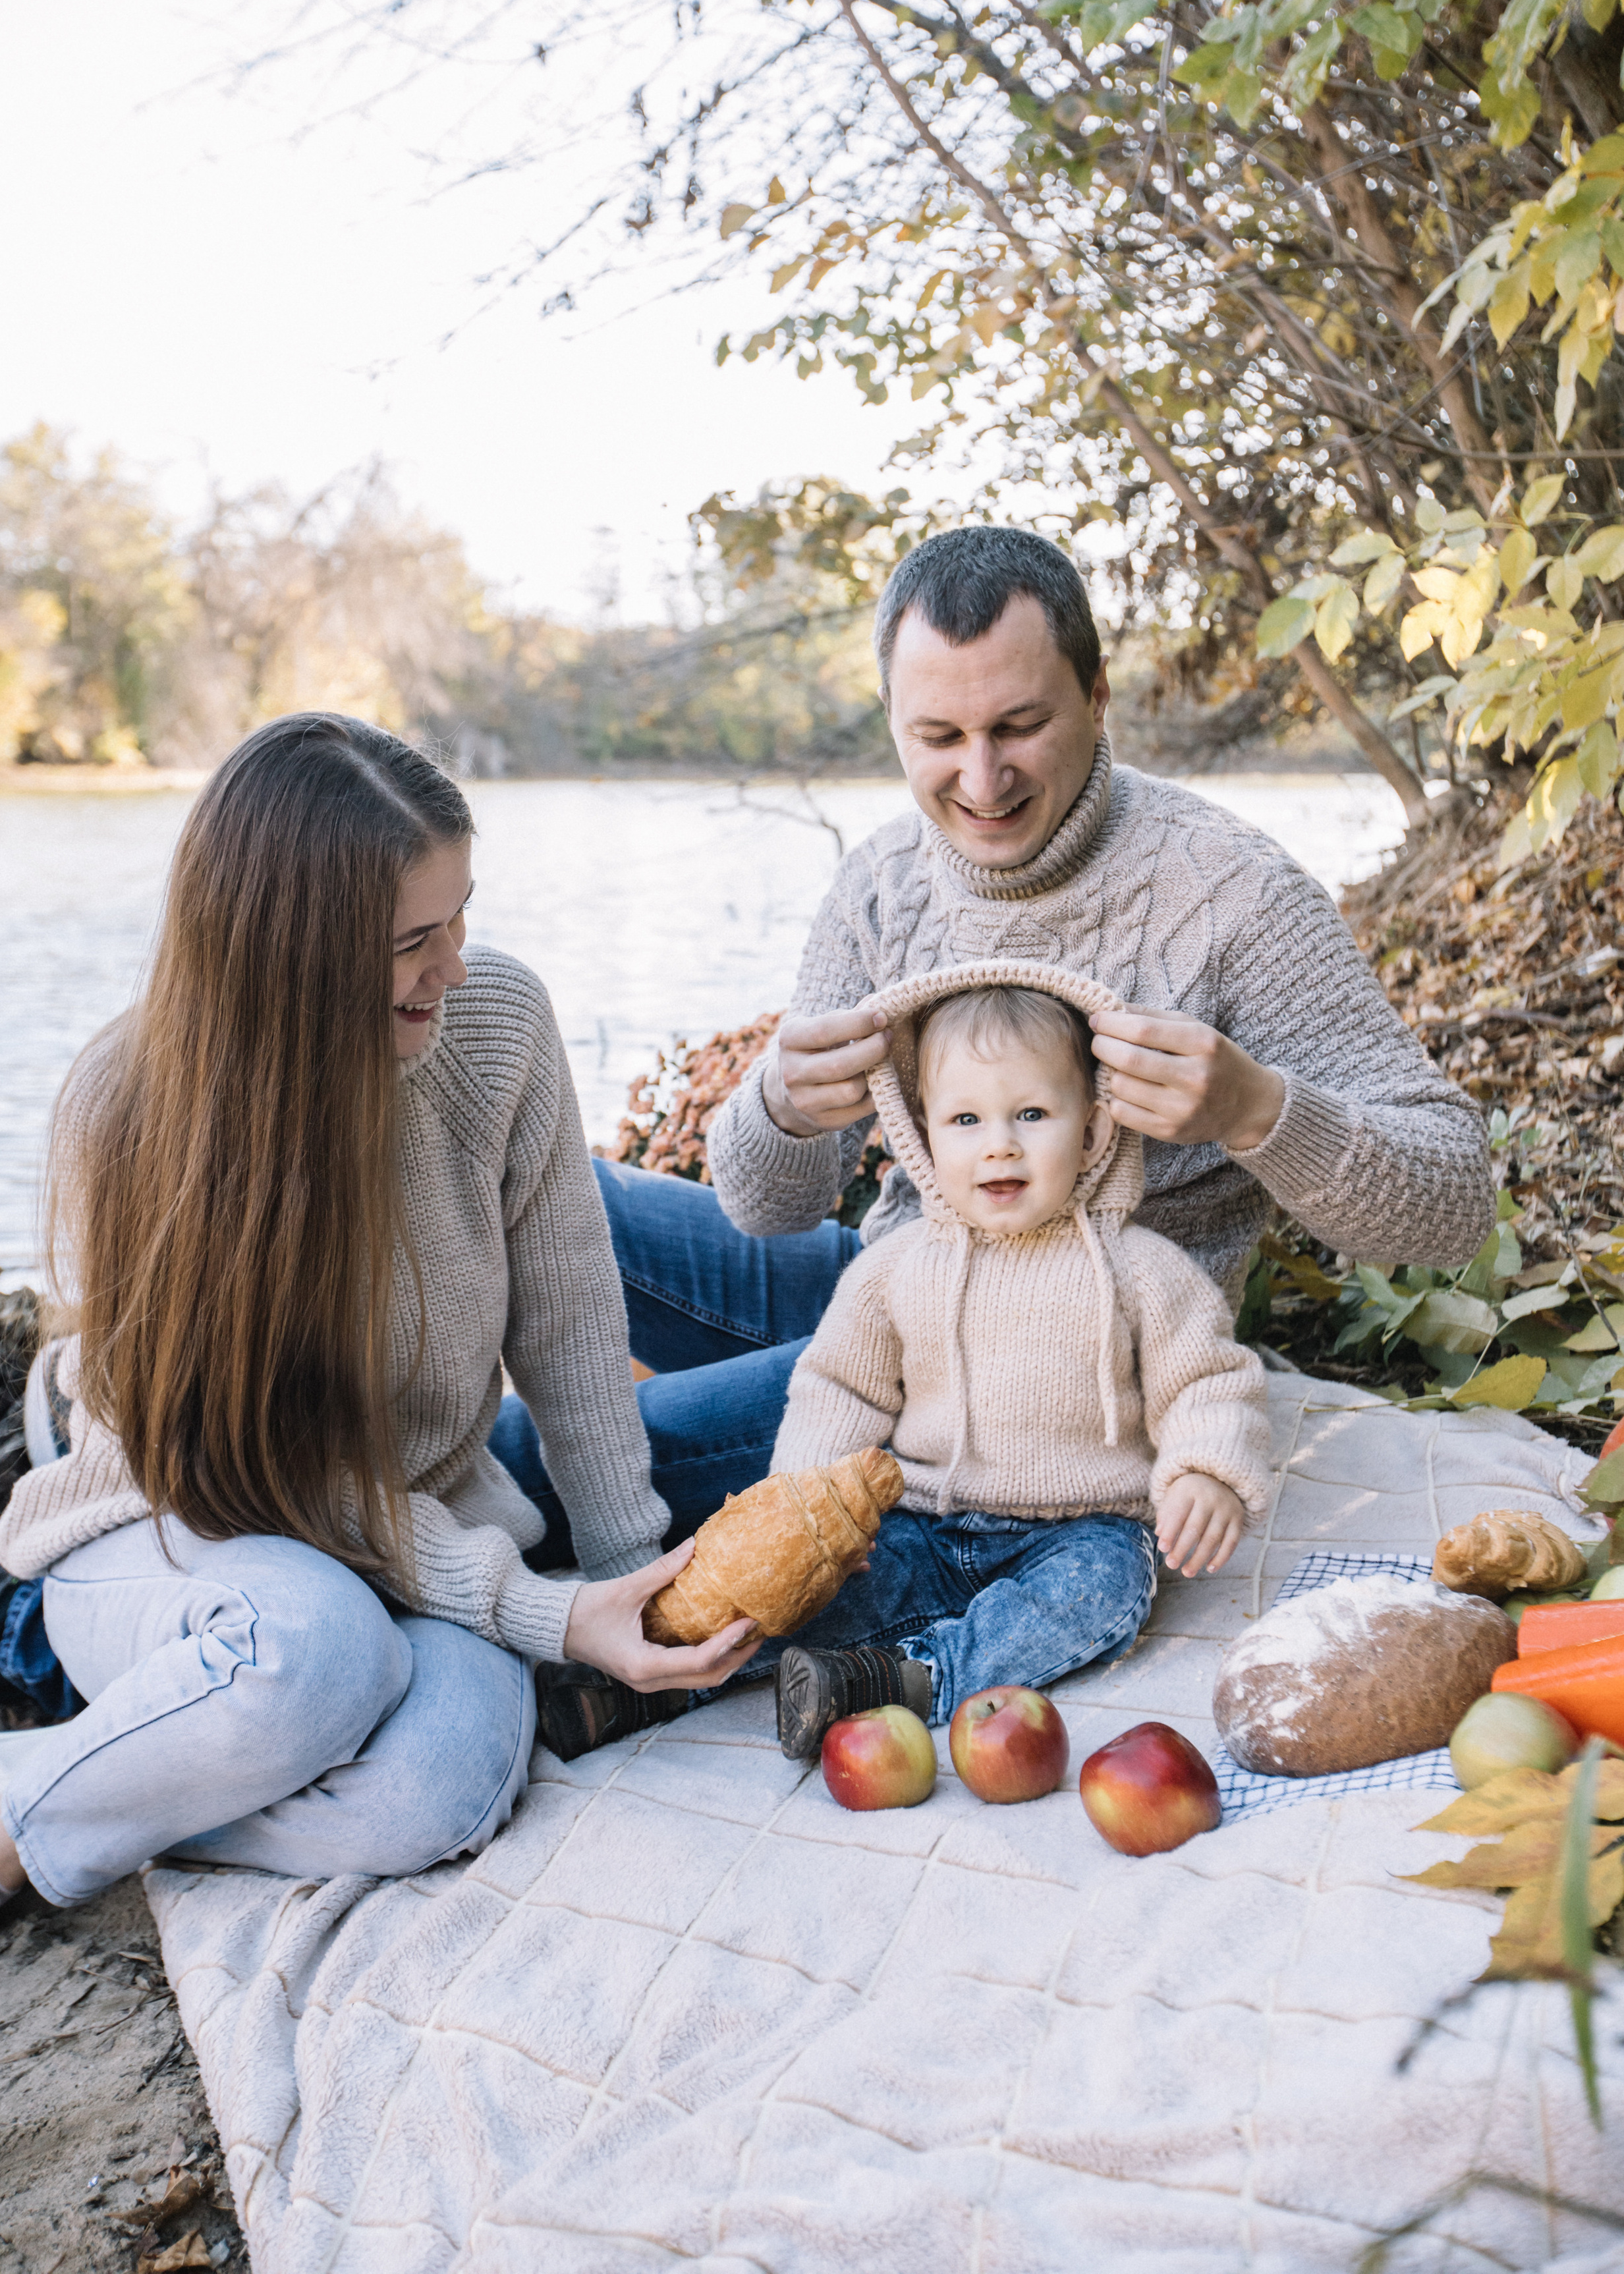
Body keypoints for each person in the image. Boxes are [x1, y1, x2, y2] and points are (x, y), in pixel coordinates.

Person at [515, 524, 1492, 1757]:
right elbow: (771, 1203)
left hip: (1046, 1362)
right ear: (893, 723)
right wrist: (776, 1111)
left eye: (1019, 726)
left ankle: (442, 1583)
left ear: (1098, 699)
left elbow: (1454, 1202)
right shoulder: (881, 887)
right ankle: (287, 1425)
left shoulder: (1232, 897)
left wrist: (1256, 1110)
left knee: (532, 1462)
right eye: (938, 739)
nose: (980, 779)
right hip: (888, 1287)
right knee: (565, 1204)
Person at [0, 714, 755, 1955]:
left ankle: (103, 1764)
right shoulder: (133, 1114)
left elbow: (577, 1333)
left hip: (415, 1526)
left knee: (449, 1784)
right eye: (414, 942)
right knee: (318, 1652)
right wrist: (538, 1618)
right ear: (289, 959)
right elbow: (264, 1485)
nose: (458, 967)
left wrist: (621, 1587)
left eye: (461, 917)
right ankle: (8, 1828)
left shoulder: (500, 1029)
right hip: (173, 1518)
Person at [754, 966, 1270, 1758]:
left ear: (1093, 1132)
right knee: (804, 1593)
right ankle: (654, 1681)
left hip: (1078, 1530)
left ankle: (900, 1680)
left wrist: (1204, 1469)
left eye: (1031, 1113)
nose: (999, 1143)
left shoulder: (1140, 1267)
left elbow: (1204, 1381)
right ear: (922, 1137)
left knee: (1106, 1594)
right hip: (923, 1525)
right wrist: (808, 1510)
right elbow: (838, 1389)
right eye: (964, 1119)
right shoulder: (897, 1269)